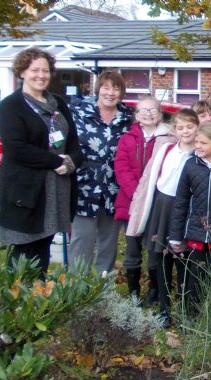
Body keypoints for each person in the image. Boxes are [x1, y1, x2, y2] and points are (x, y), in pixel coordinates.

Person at [0, 47, 83, 279]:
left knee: (43, 250)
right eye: (35, 70)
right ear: (22, 71)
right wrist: (55, 161)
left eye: (45, 70)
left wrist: (72, 162)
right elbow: (16, 148)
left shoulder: (59, 104)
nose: (41, 75)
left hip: (55, 190)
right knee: (22, 255)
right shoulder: (11, 106)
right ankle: (16, 306)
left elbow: (73, 141)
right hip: (25, 193)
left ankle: (38, 300)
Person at [126, 109, 196, 324]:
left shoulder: (198, 152)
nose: (185, 131)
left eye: (189, 127)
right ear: (174, 130)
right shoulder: (166, 149)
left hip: (186, 208)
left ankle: (185, 308)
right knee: (162, 259)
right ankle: (164, 308)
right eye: (180, 127)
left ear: (197, 127)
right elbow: (151, 178)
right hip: (163, 206)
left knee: (184, 261)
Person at [69, 71, 134, 273]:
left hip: (114, 186)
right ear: (98, 89)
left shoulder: (128, 118)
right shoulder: (79, 112)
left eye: (116, 88)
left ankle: (102, 289)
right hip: (84, 185)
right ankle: (76, 288)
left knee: (109, 241)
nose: (110, 92)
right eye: (106, 87)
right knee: (82, 239)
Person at [169, 121, 211, 316]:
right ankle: (190, 318)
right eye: (196, 142)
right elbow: (181, 200)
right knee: (193, 278)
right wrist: (175, 234)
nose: (197, 146)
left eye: (203, 143)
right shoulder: (191, 165)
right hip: (196, 232)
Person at [114, 96, 172, 302]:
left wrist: (151, 194)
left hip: (156, 202)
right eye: (143, 110)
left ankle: (154, 292)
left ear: (160, 113)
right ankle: (133, 293)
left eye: (153, 110)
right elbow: (121, 168)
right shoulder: (127, 139)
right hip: (130, 202)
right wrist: (137, 194)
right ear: (136, 115)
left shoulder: (168, 139)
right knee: (132, 248)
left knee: (154, 249)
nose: (148, 113)